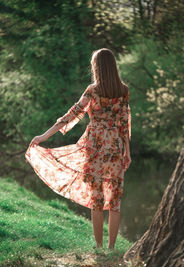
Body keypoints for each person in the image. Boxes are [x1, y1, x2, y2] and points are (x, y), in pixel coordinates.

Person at [25, 48, 131, 249]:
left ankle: (99, 248)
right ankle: (111, 249)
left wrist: (44, 136)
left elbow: (72, 114)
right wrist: (127, 152)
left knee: (97, 199)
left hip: (95, 147)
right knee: (115, 201)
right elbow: (124, 123)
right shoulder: (123, 90)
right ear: (113, 66)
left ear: (97, 67)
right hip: (115, 148)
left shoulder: (93, 90)